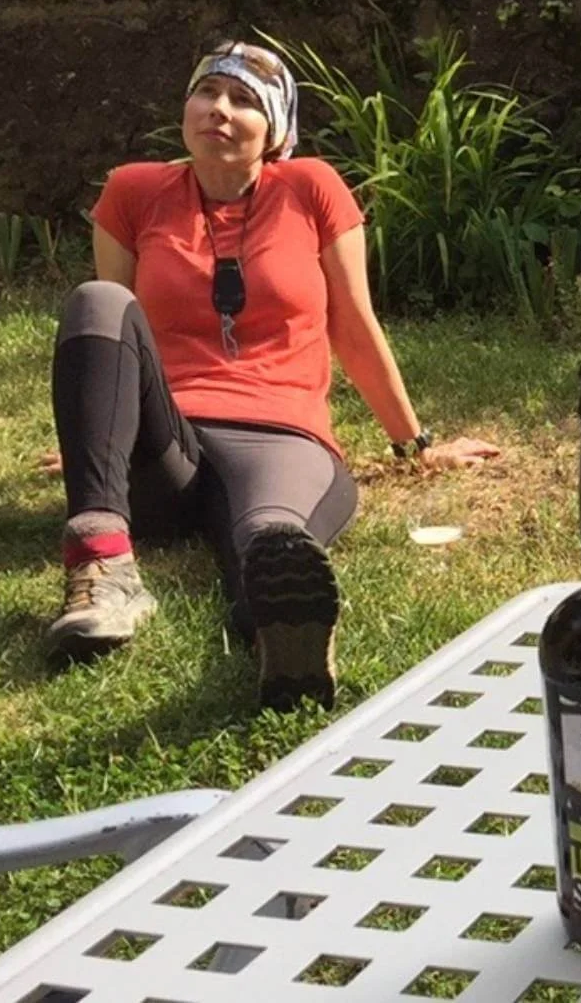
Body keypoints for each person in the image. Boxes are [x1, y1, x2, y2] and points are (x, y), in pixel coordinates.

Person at [43, 40, 498, 711]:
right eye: (207, 93)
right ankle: (104, 571)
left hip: (281, 436)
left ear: (277, 129)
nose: (219, 110)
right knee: (97, 301)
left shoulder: (311, 188)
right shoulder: (133, 191)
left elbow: (354, 324)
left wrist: (417, 443)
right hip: (170, 443)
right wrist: (94, 442)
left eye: (244, 100)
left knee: (272, 537)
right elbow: (117, 340)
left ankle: (285, 641)